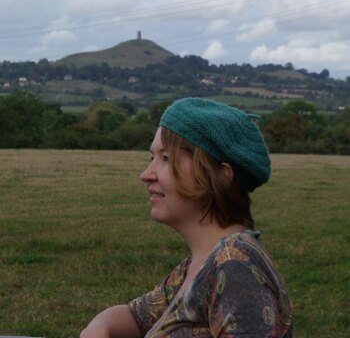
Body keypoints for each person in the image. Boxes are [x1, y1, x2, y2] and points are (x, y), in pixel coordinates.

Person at [80, 97, 293, 338]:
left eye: (166, 159)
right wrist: (99, 329)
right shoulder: (202, 261)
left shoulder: (234, 265)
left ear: (219, 176)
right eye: (152, 158)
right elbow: (136, 316)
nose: (146, 174)